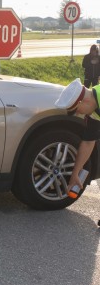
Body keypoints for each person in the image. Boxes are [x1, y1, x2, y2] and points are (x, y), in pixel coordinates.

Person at [54, 77, 100, 227]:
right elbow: (87, 143)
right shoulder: (93, 110)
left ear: (82, 102)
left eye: (76, 110)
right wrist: (75, 173)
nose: (78, 115)